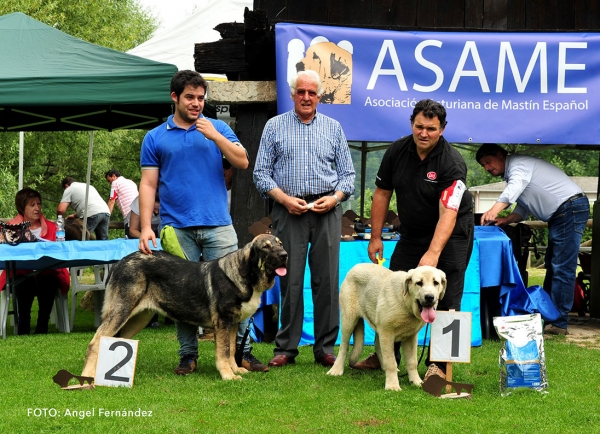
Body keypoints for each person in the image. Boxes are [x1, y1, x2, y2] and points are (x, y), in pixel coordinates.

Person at [137, 70, 269, 375]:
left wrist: (215, 136)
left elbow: (242, 161)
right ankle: (188, 355)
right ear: (175, 97)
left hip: (219, 226)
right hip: (176, 227)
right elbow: (147, 184)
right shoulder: (155, 136)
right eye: (190, 97)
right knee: (181, 293)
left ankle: (243, 354)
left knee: (240, 290)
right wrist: (146, 227)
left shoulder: (218, 127)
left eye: (201, 98)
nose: (196, 103)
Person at [353, 99, 474, 380]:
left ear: (442, 129)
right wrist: (375, 236)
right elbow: (382, 193)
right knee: (396, 287)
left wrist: (433, 254)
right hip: (412, 231)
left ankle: (441, 366)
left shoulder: (452, 163)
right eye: (419, 126)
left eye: (431, 129)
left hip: (452, 231)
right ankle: (386, 356)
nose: (424, 133)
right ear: (411, 124)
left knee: (449, 297)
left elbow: (449, 212)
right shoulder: (397, 150)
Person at [253, 69, 356, 368]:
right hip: (288, 210)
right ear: (293, 94)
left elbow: (348, 176)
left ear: (320, 95)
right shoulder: (274, 127)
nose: (307, 97)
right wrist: (284, 200)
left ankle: (325, 347)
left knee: (326, 281)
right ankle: (286, 348)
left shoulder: (334, 128)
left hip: (327, 209)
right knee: (291, 280)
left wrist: (335, 198)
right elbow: (260, 173)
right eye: (301, 92)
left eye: (312, 92)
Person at [476, 143, 590, 335]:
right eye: (483, 165)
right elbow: (523, 209)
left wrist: (493, 210)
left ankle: (558, 322)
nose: (487, 168)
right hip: (563, 212)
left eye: (488, 162)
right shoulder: (515, 171)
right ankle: (549, 316)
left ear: (500, 155)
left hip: (569, 208)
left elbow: (514, 189)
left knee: (562, 268)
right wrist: (505, 219)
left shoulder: (518, 165)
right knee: (553, 266)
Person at [0, 188, 70, 334]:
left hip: (47, 272)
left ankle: (42, 327)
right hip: (20, 273)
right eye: (32, 205)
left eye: (39, 204)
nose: (37, 208)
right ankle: (23, 326)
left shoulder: (53, 228)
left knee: (49, 280)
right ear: (22, 207)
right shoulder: (10, 229)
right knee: (24, 282)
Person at [105, 169, 139, 238]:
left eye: (109, 181)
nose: (110, 183)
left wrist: (107, 217)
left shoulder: (115, 183)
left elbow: (112, 200)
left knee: (130, 236)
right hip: (139, 210)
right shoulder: (131, 182)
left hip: (129, 213)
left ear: (114, 176)